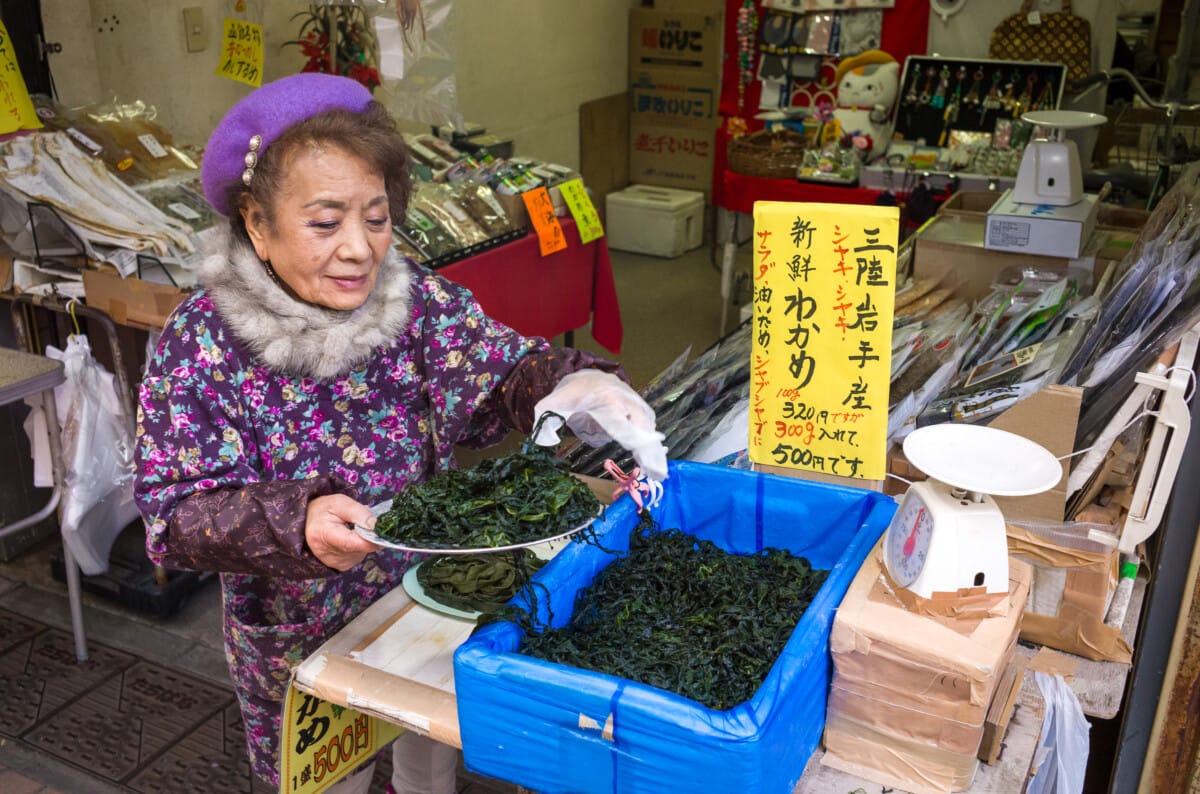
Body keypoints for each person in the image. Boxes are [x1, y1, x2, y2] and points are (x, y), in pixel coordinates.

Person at [133, 73, 667, 793]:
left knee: (429, 757)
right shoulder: (202, 343)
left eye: (376, 218)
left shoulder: (417, 302)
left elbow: (501, 371)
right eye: (325, 223)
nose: (359, 249)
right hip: (298, 633)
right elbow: (174, 513)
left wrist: (570, 383)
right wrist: (299, 522)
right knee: (336, 781)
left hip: (430, 598)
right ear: (256, 224)